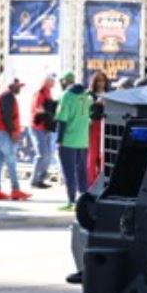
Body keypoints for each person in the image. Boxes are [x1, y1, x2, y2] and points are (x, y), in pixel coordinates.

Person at [52, 74, 92, 210]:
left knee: (69, 172)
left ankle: (71, 201)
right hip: (83, 141)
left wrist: (59, 139)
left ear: (64, 82)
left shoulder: (66, 96)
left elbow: (62, 120)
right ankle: (84, 201)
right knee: (82, 172)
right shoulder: (86, 96)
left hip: (68, 140)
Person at [0, 75, 28, 200]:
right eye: (18, 86)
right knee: (11, 160)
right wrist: (13, 133)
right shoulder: (8, 96)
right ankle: (15, 189)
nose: (19, 88)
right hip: (2, 132)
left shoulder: (5, 95)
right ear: (12, 86)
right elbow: (7, 116)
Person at [29, 75, 58, 189]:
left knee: (47, 155)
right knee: (42, 155)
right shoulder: (40, 93)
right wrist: (48, 114)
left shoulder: (48, 92)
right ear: (47, 82)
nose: (54, 82)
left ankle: (40, 179)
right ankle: (35, 180)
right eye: (52, 80)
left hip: (45, 127)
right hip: (38, 127)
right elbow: (38, 109)